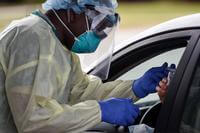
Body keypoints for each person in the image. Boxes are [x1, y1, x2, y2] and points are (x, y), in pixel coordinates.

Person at [0, 0, 175, 133]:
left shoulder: (60, 47)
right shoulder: (30, 36)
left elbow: (81, 92)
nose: (99, 35)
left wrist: (135, 87)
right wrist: (100, 111)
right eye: (98, 25)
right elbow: (33, 118)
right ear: (71, 13)